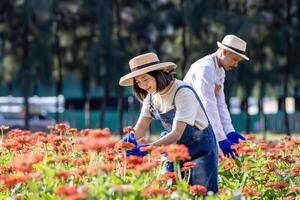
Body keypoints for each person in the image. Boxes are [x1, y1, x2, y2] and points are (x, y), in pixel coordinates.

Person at [119, 52, 218, 193]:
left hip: (199, 148)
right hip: (173, 149)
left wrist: (148, 148)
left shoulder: (182, 92)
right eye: (138, 82)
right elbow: (140, 127)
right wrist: (125, 144)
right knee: (168, 190)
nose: (142, 85)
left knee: (202, 193)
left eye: (145, 79)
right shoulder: (151, 97)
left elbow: (177, 133)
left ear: (158, 74)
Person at [183, 34, 249, 159]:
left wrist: (229, 131)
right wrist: (221, 138)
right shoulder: (205, 68)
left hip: (198, 122)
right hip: (187, 124)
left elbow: (220, 104)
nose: (235, 65)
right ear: (224, 52)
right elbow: (209, 106)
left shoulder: (220, 70)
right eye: (234, 60)